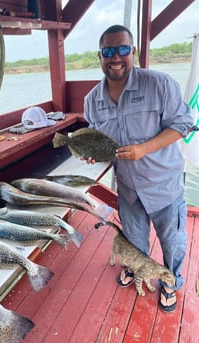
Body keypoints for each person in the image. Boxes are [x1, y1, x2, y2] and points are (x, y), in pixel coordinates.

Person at [83, 24, 194, 312]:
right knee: (133, 238)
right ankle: (136, 267)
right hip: (129, 189)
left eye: (122, 49)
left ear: (133, 51)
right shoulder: (91, 101)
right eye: (108, 51)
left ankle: (170, 279)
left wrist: (144, 149)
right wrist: (91, 153)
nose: (115, 57)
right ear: (100, 56)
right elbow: (97, 141)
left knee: (172, 239)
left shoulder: (159, 84)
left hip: (163, 184)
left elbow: (182, 125)